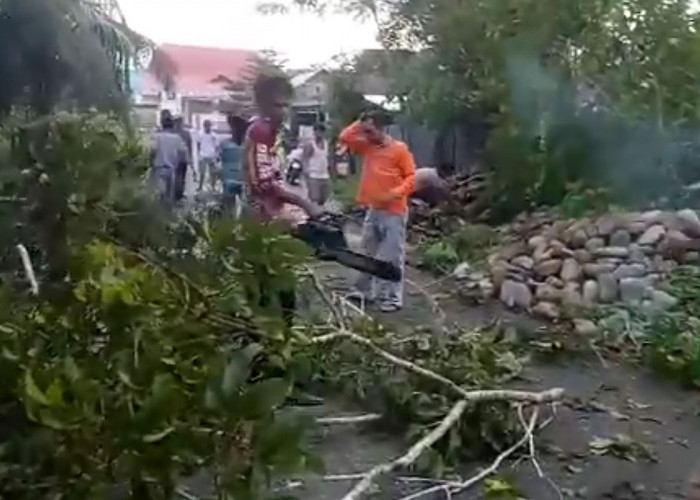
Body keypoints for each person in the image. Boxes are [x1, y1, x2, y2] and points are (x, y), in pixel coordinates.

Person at [242, 73, 323, 326]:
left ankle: (276, 337)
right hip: (262, 220)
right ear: (263, 105)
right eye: (278, 105)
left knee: (279, 284)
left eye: (286, 105)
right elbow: (263, 184)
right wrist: (304, 204)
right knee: (269, 286)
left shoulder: (271, 133)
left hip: (272, 216)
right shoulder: (261, 131)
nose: (283, 111)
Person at [339, 110, 416, 313]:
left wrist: (396, 192)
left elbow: (411, 177)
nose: (367, 135)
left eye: (371, 131)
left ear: (381, 129)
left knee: (391, 256)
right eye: (365, 131)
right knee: (367, 251)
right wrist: (360, 121)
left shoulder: (399, 150)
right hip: (374, 209)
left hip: (394, 211)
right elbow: (344, 137)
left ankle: (391, 298)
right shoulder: (367, 147)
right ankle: (365, 291)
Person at [150, 113, 188, 205]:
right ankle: (168, 214)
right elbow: (183, 154)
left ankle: (158, 214)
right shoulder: (177, 138)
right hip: (172, 170)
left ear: (162, 125)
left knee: (158, 195)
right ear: (172, 126)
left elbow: (153, 151)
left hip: (159, 168)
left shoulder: (157, 137)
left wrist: (151, 164)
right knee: (169, 196)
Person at [219, 114, 247, 216]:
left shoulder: (225, 144)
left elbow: (219, 159)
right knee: (244, 209)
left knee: (229, 209)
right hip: (240, 179)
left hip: (231, 178)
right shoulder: (248, 145)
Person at [302, 123, 331, 206]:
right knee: (314, 198)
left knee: (323, 198)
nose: (318, 133)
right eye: (316, 131)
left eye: (320, 131)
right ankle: (314, 215)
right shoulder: (310, 145)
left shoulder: (327, 144)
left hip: (325, 175)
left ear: (323, 132)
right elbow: (305, 158)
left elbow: (329, 158)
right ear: (314, 132)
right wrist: (306, 171)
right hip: (313, 175)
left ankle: (319, 213)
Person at [173, 116, 193, 201]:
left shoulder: (185, 133)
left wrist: (190, 157)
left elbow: (189, 146)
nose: (179, 124)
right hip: (176, 158)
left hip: (182, 158)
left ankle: (179, 194)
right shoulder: (173, 133)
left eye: (180, 122)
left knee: (181, 177)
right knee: (177, 176)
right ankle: (177, 194)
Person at [197, 119, 220, 192]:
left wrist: (216, 155)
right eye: (206, 126)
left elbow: (216, 146)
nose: (207, 127)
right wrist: (199, 153)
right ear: (204, 126)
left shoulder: (214, 135)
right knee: (202, 173)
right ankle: (200, 187)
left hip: (211, 155)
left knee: (213, 173)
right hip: (203, 155)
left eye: (209, 126)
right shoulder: (200, 134)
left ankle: (212, 186)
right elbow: (198, 144)